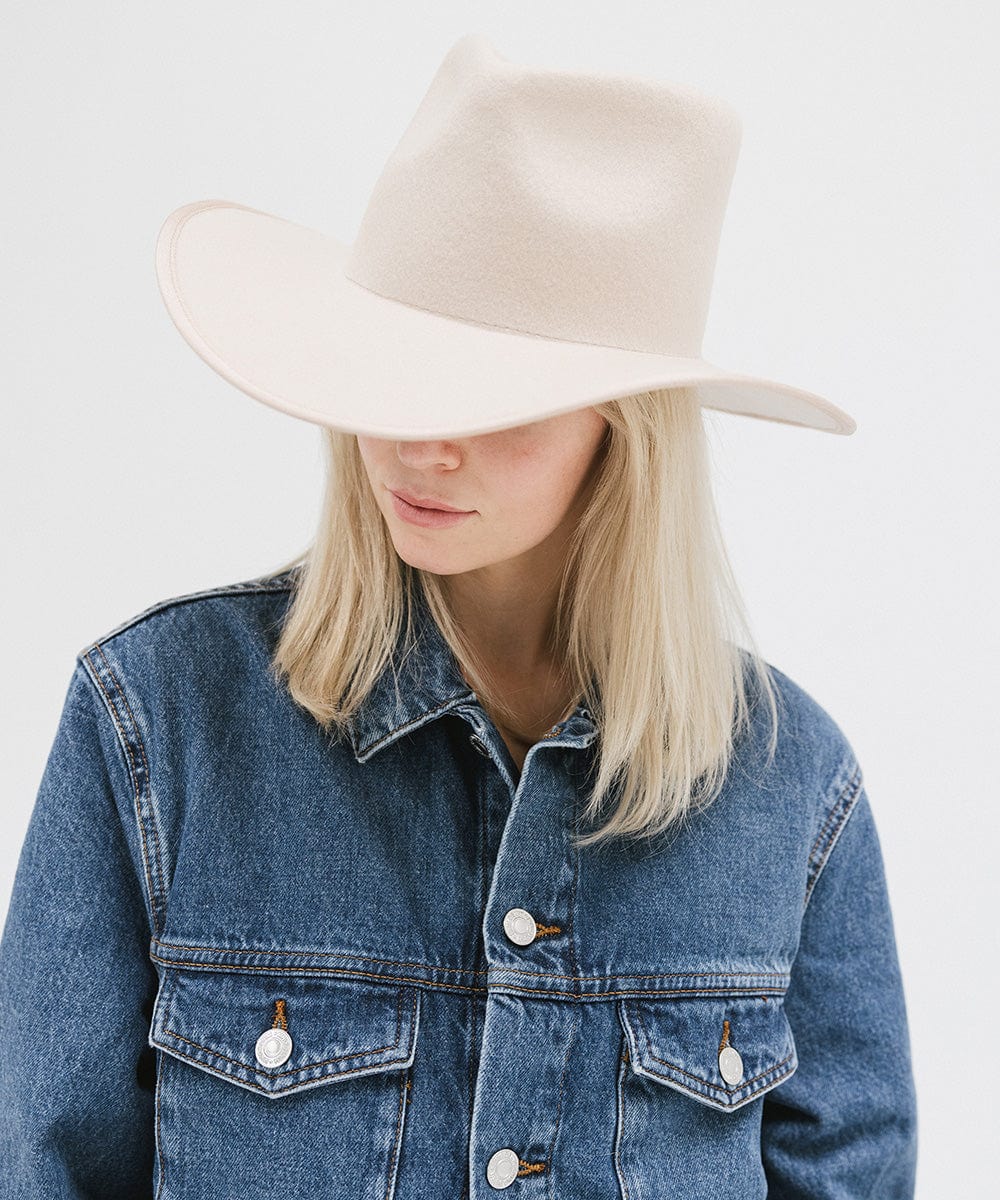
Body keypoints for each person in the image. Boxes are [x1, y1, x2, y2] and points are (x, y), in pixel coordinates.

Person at [0, 32, 917, 1199]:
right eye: (393, 370)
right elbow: (42, 1167)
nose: (421, 443)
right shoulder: (160, 729)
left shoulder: (790, 790)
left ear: (621, 432)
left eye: (496, 398)